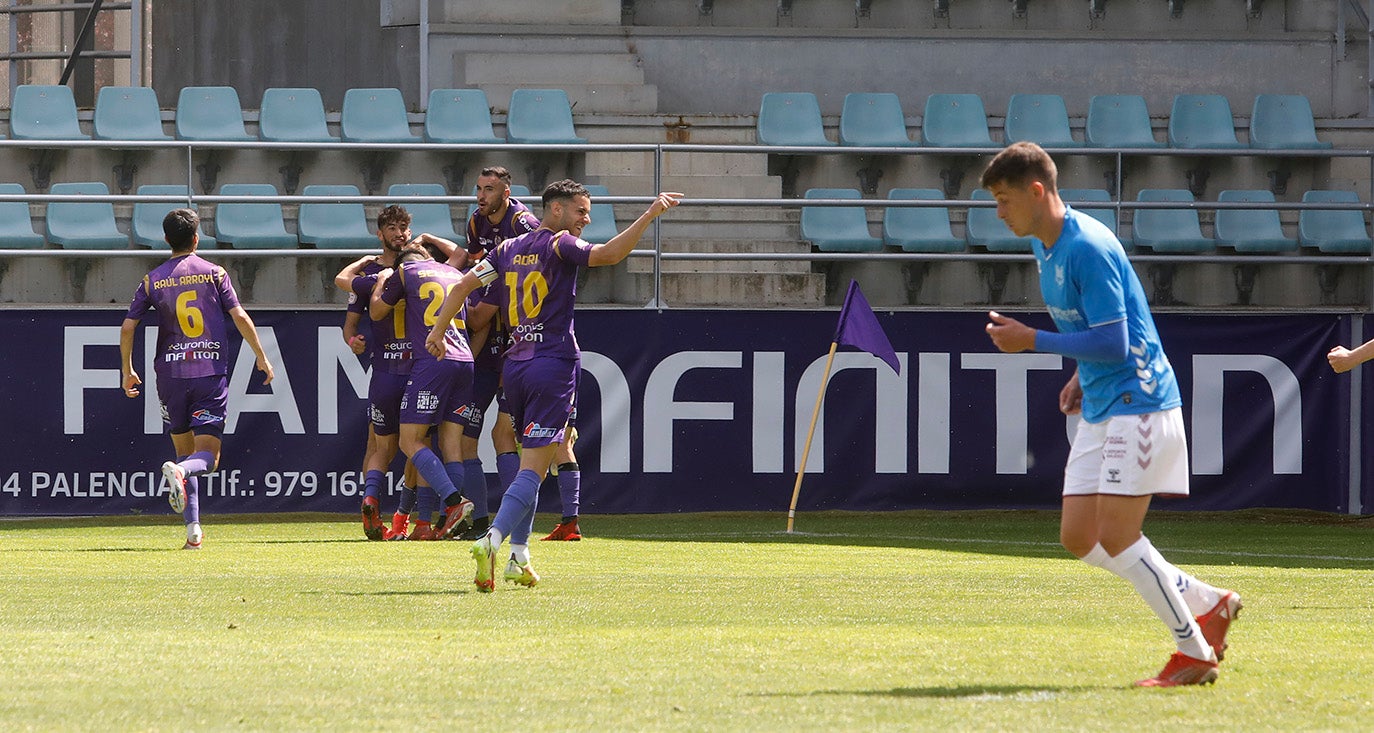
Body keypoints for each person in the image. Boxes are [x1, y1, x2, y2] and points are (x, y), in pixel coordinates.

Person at [979, 142, 1242, 688]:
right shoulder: (1046, 248)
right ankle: (1210, 602)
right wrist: (1080, 372)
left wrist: (1032, 342)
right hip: (1103, 403)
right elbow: (1101, 329)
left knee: (1119, 536)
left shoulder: (1087, 247)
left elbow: (1119, 342)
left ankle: (1193, 651)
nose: (998, 212)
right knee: (1080, 536)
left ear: (1036, 191)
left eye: (1003, 200)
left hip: (1139, 404)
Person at [426, 180, 682, 592]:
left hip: (516, 366)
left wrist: (439, 331)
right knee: (534, 468)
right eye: (581, 211)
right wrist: (650, 215)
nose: (586, 219)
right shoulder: (560, 244)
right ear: (557, 210)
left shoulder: (507, 250)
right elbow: (610, 255)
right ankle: (492, 540)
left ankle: (519, 556)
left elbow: (460, 286)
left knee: (532, 462)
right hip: (553, 364)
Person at [119, 208, 275, 549]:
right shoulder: (214, 273)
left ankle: (193, 532)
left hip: (170, 376)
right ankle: (181, 475)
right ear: (196, 238)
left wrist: (127, 369)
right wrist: (261, 356)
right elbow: (239, 316)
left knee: (185, 454)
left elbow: (128, 326)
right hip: (208, 372)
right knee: (206, 458)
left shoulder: (153, 279)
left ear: (165, 240)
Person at [371, 245, 476, 541]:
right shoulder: (454, 273)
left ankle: (454, 504)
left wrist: (382, 282)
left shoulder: (406, 271)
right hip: (465, 360)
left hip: (432, 360)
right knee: (452, 445)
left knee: (410, 440)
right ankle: (448, 522)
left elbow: (378, 311)